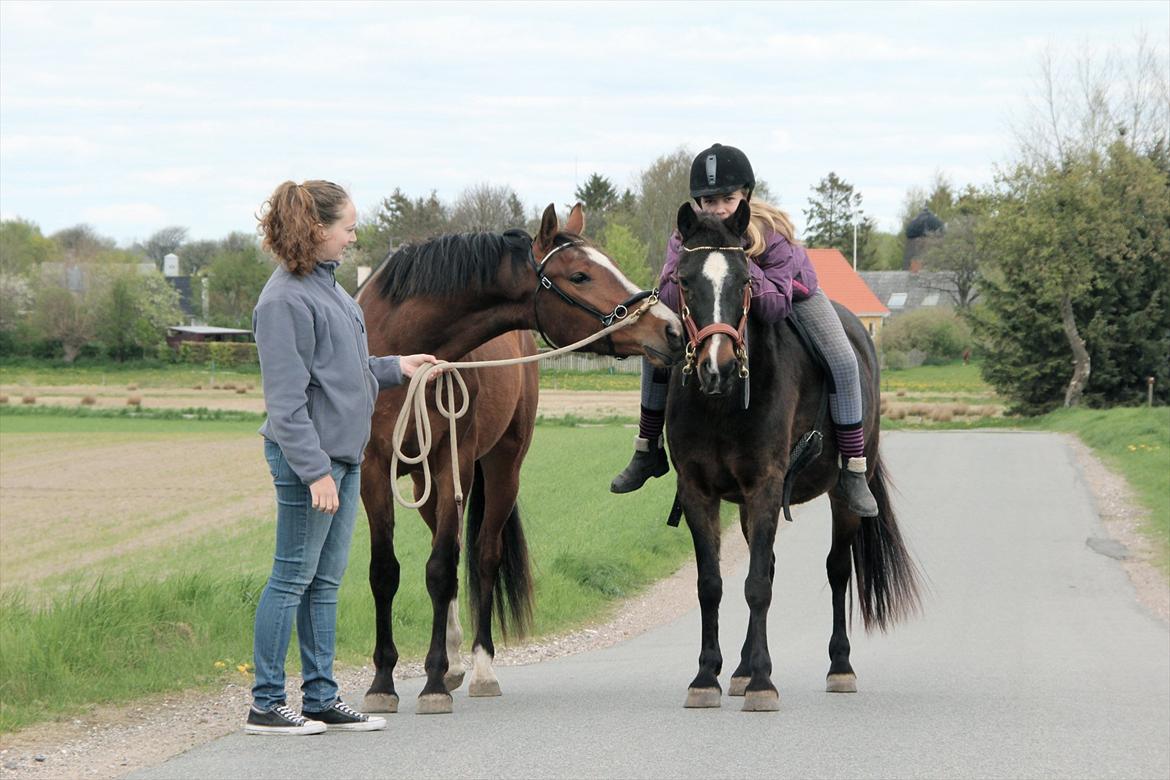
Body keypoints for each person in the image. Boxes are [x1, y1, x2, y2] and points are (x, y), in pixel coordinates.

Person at [246, 180, 441, 736]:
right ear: (316, 230)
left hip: (344, 458)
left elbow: (342, 371)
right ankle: (265, 703)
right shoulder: (283, 301)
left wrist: (395, 366)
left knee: (325, 583)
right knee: (291, 579)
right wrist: (315, 474)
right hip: (311, 462)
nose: (354, 236)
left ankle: (320, 697)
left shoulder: (330, 291)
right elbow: (286, 407)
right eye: (348, 227)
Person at [610, 144, 879, 517]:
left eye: (726, 199)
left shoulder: (771, 233)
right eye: (706, 201)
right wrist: (694, 267)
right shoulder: (685, 238)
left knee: (843, 359)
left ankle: (853, 468)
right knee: (656, 350)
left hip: (795, 295)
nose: (717, 208)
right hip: (718, 307)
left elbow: (773, 307)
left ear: (745, 197)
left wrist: (737, 265)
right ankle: (647, 450)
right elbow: (670, 296)